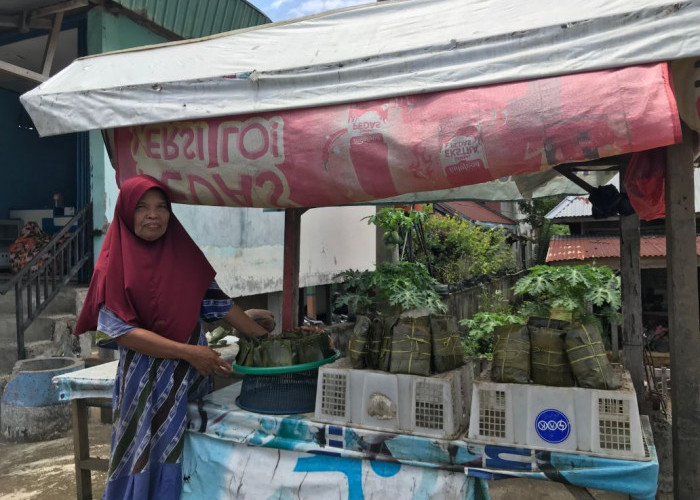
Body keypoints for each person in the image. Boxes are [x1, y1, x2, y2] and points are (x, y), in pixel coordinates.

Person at [74, 175, 270, 499]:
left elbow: (217, 303)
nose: (153, 215)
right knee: (144, 459)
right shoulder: (112, 265)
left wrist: (261, 334)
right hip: (144, 389)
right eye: (142, 208)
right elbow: (122, 333)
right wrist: (188, 352)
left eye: (161, 207)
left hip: (191, 381)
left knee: (191, 462)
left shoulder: (183, 255)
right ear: (126, 212)